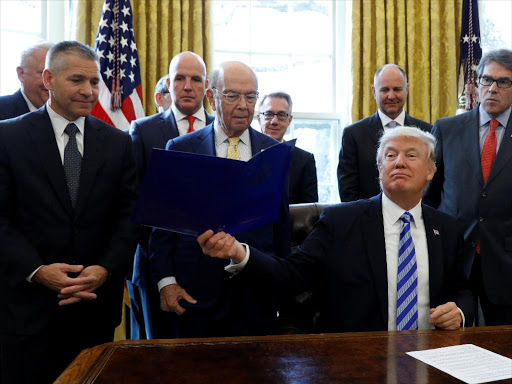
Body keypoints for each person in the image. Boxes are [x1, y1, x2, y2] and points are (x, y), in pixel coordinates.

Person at [198, 126, 474, 333]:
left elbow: (462, 289)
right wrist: (237, 252)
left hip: (431, 356)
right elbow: (290, 275)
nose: (399, 162)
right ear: (379, 169)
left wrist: (459, 312)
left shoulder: (446, 229)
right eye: (390, 155)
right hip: (358, 358)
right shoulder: (341, 222)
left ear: (430, 171)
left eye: (411, 155)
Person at [0, 41, 137, 384]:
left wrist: (105, 268)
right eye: (77, 80)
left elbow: (129, 217)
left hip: (94, 311)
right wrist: (37, 271)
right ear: (48, 78)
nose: (89, 91)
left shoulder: (119, 143)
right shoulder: (8, 137)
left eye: (94, 82)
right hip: (27, 310)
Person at [149, 61, 290, 339]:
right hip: (196, 296)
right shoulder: (181, 148)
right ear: (212, 98)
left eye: (251, 97)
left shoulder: (273, 151)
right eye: (232, 95)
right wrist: (166, 282)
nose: (243, 105)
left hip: (255, 295)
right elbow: (163, 226)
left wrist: (280, 285)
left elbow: (280, 228)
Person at [128, 52, 214, 339]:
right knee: (156, 358)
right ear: (168, 83)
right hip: (154, 266)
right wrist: (162, 264)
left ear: (206, 87)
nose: (187, 86)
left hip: (209, 266)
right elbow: (135, 201)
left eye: (195, 79)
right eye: (180, 78)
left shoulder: (221, 128)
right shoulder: (143, 130)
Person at [424, 49, 512, 326]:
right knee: (448, 348)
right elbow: (430, 196)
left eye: (503, 82)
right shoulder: (446, 129)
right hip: (452, 256)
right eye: (486, 80)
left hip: (505, 260)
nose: (492, 89)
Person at [337, 64, 432, 202]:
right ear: (374, 91)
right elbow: (348, 190)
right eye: (385, 90)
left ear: (407, 89)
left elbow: (433, 185)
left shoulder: (427, 132)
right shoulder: (354, 134)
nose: (391, 96)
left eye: (397, 89)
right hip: (368, 219)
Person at [257, 91, 318, 204]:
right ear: (259, 118)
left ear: (289, 120)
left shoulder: (305, 160)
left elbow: (309, 211)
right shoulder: (244, 152)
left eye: (281, 115)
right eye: (269, 114)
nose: (274, 121)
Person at [0, 41, 53, 120]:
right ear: (21, 74)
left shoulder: (70, 112)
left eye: (58, 74)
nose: (51, 82)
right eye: (43, 73)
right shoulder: (2, 109)